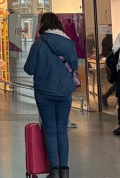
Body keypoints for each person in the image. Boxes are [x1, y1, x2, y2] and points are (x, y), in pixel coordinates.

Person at [24, 13, 80, 178]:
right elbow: (75, 66)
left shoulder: (39, 45)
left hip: (44, 93)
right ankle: (65, 171)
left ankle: (54, 171)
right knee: (62, 129)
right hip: (65, 92)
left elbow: (29, 69)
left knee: (50, 130)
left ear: (43, 25)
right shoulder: (69, 44)